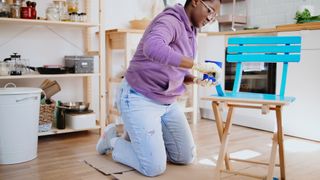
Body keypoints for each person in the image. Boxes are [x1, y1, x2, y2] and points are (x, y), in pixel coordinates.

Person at [96, 0, 221, 177]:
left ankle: (138, 140)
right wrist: (196, 64)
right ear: (194, 2)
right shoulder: (170, 20)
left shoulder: (192, 30)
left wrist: (195, 79)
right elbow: (152, 47)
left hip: (167, 102)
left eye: (214, 15)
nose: (211, 18)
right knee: (154, 167)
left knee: (185, 157)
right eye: (210, 11)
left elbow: (173, 70)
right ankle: (113, 140)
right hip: (139, 96)